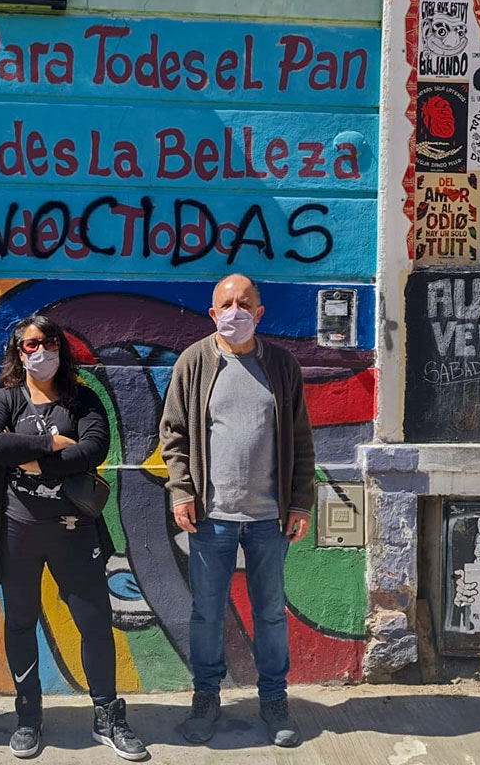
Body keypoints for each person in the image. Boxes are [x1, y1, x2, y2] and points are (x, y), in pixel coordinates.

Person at [0, 314, 147, 761]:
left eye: (49, 342)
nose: (41, 351)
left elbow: (94, 448)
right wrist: (53, 446)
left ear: (61, 348)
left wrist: (33, 461)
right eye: (31, 344)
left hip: (74, 531)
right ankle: (28, 715)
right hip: (17, 530)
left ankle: (107, 715)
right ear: (18, 352)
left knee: (94, 623)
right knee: (20, 621)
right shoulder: (4, 398)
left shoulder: (82, 399)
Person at [160, 273, 315, 748]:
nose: (235, 312)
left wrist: (300, 501)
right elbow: (173, 434)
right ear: (212, 313)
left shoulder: (281, 365)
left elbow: (301, 439)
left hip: (269, 518)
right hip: (212, 519)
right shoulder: (194, 362)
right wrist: (181, 492)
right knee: (207, 614)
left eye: (244, 304)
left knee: (269, 614)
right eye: (226, 304)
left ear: (259, 313)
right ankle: (206, 697)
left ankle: (274, 700)